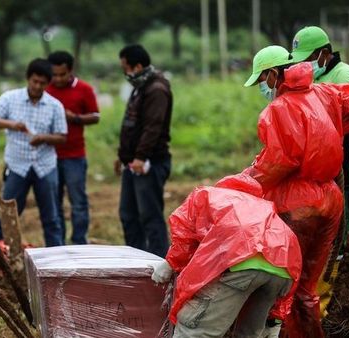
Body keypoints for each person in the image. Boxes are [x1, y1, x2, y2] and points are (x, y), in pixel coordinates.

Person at [242, 45, 349, 337]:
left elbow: (279, 161)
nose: (262, 87)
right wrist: (331, 131)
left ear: (274, 74)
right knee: (307, 288)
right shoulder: (325, 93)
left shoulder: (278, 110)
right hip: (330, 199)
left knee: (287, 283)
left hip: (299, 205)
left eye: (262, 79)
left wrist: (246, 182)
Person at [151, 173, 302, 338]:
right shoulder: (264, 207)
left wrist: (170, 263)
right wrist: (275, 320)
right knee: (250, 334)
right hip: (283, 271)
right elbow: (291, 256)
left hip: (243, 262)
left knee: (195, 330)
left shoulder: (208, 195)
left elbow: (185, 231)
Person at [290, 25, 349, 316]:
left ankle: (336, 300)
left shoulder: (343, 76)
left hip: (340, 172)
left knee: (336, 238)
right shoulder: (317, 75)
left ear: (324, 53)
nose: (303, 63)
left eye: (308, 57)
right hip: (318, 176)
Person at [0, 58, 67, 247]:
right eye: (34, 81)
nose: (37, 86)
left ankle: (56, 257)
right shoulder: (10, 98)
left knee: (51, 217)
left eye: (42, 83)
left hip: (45, 167)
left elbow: (62, 137)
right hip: (17, 166)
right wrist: (12, 124)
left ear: (48, 83)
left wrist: (43, 138)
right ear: (28, 78)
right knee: (8, 214)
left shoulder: (55, 106)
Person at [116, 44, 172, 257]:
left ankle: (158, 261)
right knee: (128, 214)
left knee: (150, 216)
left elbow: (153, 127)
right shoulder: (141, 86)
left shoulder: (156, 89)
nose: (125, 73)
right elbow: (131, 124)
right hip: (132, 163)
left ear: (137, 66)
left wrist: (140, 156)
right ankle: (136, 260)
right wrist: (123, 156)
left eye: (125, 67)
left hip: (149, 163)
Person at [46, 51, 100, 245]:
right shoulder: (46, 89)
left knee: (78, 202)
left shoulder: (84, 89)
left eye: (62, 74)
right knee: (55, 202)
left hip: (75, 155)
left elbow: (95, 116)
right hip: (50, 156)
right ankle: (58, 244)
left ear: (71, 71)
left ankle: (79, 242)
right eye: (55, 75)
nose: (58, 79)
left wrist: (74, 118)